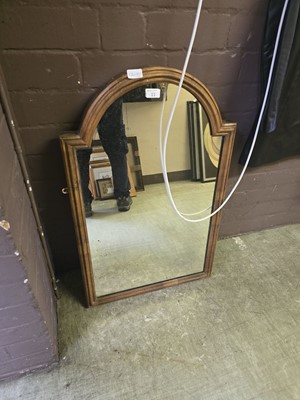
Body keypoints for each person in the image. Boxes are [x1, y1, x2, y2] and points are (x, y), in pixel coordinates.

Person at [97, 97, 132, 212]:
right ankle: (123, 195)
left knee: (117, 151)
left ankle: (123, 195)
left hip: (108, 98)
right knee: (80, 152)